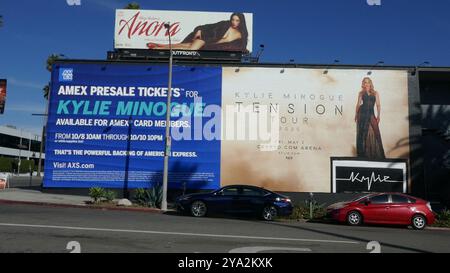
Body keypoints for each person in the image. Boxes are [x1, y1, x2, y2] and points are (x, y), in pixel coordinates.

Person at [147, 13, 248, 52]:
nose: (234, 22)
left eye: (237, 20)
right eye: (233, 19)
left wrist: (244, 49)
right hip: (206, 39)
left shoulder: (241, 34)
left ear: (241, 21)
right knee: (190, 49)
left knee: (184, 46)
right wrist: (199, 30)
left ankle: (159, 46)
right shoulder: (225, 24)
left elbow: (231, 42)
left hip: (209, 43)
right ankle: (157, 48)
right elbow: (209, 26)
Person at [354, 77, 385, 159]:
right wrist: (356, 114)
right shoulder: (361, 93)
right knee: (362, 133)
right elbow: (358, 104)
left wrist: (378, 115)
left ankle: (375, 154)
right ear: (363, 84)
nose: (366, 84)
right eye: (365, 82)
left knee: (376, 132)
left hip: (371, 113)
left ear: (370, 83)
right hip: (362, 113)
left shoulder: (375, 93)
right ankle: (363, 154)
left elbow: (378, 105)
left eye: (368, 82)